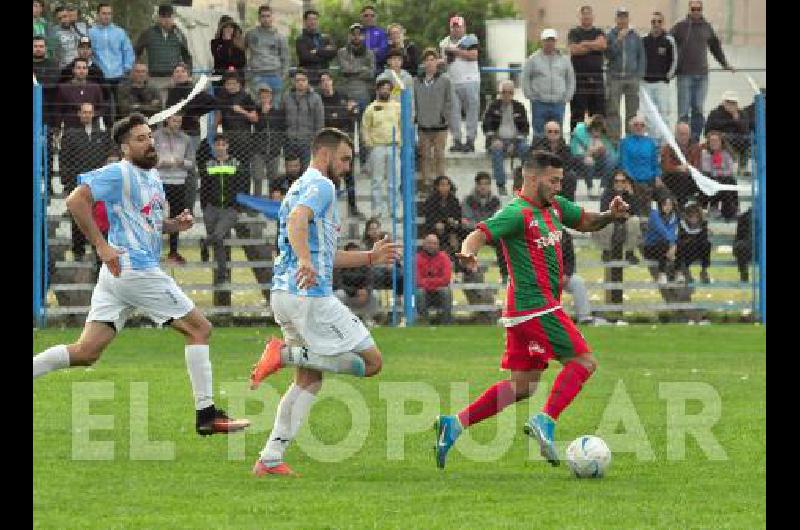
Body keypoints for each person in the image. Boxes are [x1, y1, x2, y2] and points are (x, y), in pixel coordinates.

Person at [32, 113, 250, 437]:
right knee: (200, 329)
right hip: (134, 268)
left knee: (86, 352)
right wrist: (101, 246)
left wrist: (175, 225)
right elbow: (77, 199)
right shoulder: (119, 172)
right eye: (140, 139)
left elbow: (148, 221)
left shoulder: (151, 176)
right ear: (124, 147)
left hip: (118, 275)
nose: (149, 143)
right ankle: (206, 415)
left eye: (149, 137)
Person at [434, 150, 631, 469]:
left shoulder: (554, 206)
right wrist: (468, 252)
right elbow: (480, 234)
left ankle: (454, 424)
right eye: (552, 181)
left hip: (523, 311)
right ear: (532, 178)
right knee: (584, 361)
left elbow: (586, 221)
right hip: (535, 307)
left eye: (560, 181)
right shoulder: (517, 213)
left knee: (523, 385)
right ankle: (546, 421)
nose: (558, 187)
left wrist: (610, 214)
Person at [248, 128, 401, 477]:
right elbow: (298, 222)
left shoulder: (298, 186)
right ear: (325, 153)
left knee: (310, 378)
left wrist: (369, 257)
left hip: (284, 294)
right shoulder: (322, 185)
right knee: (373, 362)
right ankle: (282, 355)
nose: (347, 167)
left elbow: (324, 254)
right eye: (344, 158)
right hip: (310, 296)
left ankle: (270, 458)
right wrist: (305, 260)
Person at [671, 0, 735, 142]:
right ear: (689, 9)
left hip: (702, 76)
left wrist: (725, 64)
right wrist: (668, 68)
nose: (696, 12)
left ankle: (694, 141)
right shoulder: (680, 27)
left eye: (698, 9)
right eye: (693, 9)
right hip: (684, 75)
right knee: (683, 112)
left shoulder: (707, 27)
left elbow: (715, 48)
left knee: (698, 110)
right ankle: (681, 141)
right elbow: (668, 44)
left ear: (702, 10)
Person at [153, 112, 194, 265]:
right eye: (174, 120)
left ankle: (174, 251)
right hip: (159, 181)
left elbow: (191, 163)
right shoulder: (155, 136)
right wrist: (161, 162)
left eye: (179, 121)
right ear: (167, 120)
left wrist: (181, 162)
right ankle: (154, 251)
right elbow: (148, 159)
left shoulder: (186, 139)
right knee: (156, 215)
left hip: (178, 182)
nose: (177, 124)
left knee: (177, 216)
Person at [134, 4, 192, 106]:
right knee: (160, 108)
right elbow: (136, 52)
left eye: (169, 16)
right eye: (163, 16)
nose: (166, 20)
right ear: (159, 17)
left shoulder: (179, 34)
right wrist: (139, 70)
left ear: (173, 17)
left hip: (174, 78)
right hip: (155, 78)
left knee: (175, 108)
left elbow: (187, 56)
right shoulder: (149, 33)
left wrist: (188, 73)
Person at [521, 28, 575, 136]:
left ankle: (556, 152)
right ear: (542, 41)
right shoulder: (532, 59)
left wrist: (567, 97)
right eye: (547, 40)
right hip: (539, 103)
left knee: (557, 132)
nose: (549, 43)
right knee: (539, 132)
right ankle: (538, 151)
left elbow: (570, 79)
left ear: (555, 41)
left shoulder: (565, 59)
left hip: (559, 103)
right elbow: (525, 78)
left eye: (552, 40)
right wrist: (531, 96)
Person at [439, 15, 481, 153]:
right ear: (450, 28)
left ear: (464, 27)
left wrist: (455, 51)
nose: (456, 29)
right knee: (453, 113)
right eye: (454, 27)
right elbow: (445, 62)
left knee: (472, 112)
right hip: (452, 81)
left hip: (470, 80)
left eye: (459, 27)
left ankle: (470, 140)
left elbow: (473, 56)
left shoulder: (471, 39)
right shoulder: (444, 42)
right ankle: (456, 140)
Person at [604, 6, 645, 141]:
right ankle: (615, 141)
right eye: (620, 17)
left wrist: (639, 76)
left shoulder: (635, 36)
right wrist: (618, 40)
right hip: (614, 78)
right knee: (613, 111)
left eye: (625, 17)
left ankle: (631, 139)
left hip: (632, 79)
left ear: (628, 18)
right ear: (616, 19)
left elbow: (641, 57)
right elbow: (608, 55)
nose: (622, 20)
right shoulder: (610, 35)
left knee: (632, 112)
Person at [482, 80, 530, 195]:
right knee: (496, 151)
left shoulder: (519, 107)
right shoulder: (493, 106)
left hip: (516, 141)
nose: (507, 95)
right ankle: (501, 184)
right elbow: (486, 126)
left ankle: (524, 183)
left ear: (513, 93)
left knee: (526, 149)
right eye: (504, 92)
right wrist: (494, 139)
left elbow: (525, 128)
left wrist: (514, 142)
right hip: (498, 140)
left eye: (510, 92)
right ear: (500, 93)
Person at [362, 78, 401, 216]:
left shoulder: (397, 106)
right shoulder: (371, 108)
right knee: (376, 180)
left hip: (393, 147)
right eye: (382, 88)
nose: (385, 90)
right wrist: (370, 144)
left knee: (394, 181)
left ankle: (394, 209)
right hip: (377, 147)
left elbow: (402, 125)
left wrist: (400, 143)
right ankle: (376, 209)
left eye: (387, 88)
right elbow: (365, 128)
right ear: (378, 90)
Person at [414, 48, 451, 192]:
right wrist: (416, 117)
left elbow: (449, 101)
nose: (430, 63)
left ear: (437, 62)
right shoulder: (416, 81)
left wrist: (444, 117)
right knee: (424, 156)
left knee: (439, 155)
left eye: (432, 59)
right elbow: (414, 101)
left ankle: (441, 182)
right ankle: (426, 182)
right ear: (423, 63)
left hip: (440, 126)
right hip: (423, 125)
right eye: (427, 60)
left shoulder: (445, 80)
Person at [567, 6, 607, 133]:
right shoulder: (574, 32)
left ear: (593, 17)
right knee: (577, 114)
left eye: (589, 14)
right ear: (579, 17)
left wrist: (584, 44)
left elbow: (602, 45)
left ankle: (599, 142)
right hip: (579, 79)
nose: (586, 17)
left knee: (598, 114)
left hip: (597, 79)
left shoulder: (599, 32)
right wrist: (593, 45)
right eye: (583, 14)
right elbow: (574, 50)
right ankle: (576, 142)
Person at [641, 11, 677, 141]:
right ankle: (652, 142)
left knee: (664, 114)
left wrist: (667, 77)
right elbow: (639, 59)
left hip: (662, 84)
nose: (656, 24)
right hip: (645, 84)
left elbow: (674, 60)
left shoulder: (669, 40)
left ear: (663, 23)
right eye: (653, 22)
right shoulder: (644, 40)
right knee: (648, 115)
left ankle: (664, 144)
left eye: (659, 21)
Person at [245, 5, 290, 108]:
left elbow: (285, 58)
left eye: (268, 16)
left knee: (275, 107)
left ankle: (274, 125)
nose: (266, 19)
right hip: (257, 75)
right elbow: (242, 51)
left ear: (272, 17)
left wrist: (282, 76)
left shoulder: (280, 37)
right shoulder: (250, 34)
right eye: (263, 16)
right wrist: (247, 73)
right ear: (259, 18)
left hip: (275, 75)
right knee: (258, 106)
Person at [619, 114, 662, 211]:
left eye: (642, 125)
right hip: (632, 179)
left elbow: (655, 163)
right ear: (631, 127)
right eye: (636, 125)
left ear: (645, 127)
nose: (639, 127)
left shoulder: (650, 143)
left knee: (665, 195)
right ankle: (644, 217)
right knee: (642, 191)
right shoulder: (625, 142)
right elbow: (623, 163)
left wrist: (657, 176)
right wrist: (628, 180)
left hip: (650, 179)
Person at [570, 114, 617, 197]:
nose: (597, 132)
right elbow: (574, 152)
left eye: (599, 130)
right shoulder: (579, 134)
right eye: (594, 129)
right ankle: (590, 187)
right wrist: (587, 154)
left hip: (600, 163)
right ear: (590, 128)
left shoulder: (603, 138)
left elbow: (613, 153)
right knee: (589, 161)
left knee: (611, 160)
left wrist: (604, 150)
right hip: (581, 161)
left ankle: (603, 187)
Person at [334, 242, 379, 326]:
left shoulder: (365, 267)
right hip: (348, 295)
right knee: (339, 294)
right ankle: (341, 320)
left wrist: (366, 291)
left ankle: (369, 319)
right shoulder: (339, 268)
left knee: (375, 294)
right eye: (351, 253)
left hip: (363, 296)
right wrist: (355, 292)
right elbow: (338, 285)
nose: (354, 255)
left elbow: (370, 282)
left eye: (356, 253)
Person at [661, 121, 702, 208]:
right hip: (672, 178)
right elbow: (666, 166)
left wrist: (689, 168)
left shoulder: (696, 147)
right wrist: (678, 168)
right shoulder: (668, 147)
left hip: (691, 177)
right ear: (676, 134)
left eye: (686, 134)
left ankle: (700, 208)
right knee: (680, 178)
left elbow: (697, 165)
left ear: (690, 135)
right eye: (681, 134)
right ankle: (681, 207)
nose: (683, 137)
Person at [699, 130, 738, 220]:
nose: (713, 143)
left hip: (723, 180)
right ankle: (728, 210)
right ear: (708, 142)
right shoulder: (705, 153)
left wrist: (718, 171)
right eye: (711, 141)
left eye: (716, 141)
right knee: (718, 180)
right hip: (710, 180)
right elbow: (706, 169)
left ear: (721, 142)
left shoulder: (726, 153)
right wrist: (720, 170)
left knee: (731, 180)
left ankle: (727, 208)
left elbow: (730, 170)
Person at [416, 233, 454, 324]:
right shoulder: (417, 258)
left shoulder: (444, 257)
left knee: (446, 291)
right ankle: (424, 322)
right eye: (429, 243)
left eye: (434, 243)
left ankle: (445, 322)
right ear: (424, 244)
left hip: (438, 293)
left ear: (438, 245)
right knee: (419, 292)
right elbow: (417, 280)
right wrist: (436, 282)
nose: (431, 246)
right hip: (424, 294)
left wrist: (427, 282)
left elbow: (446, 279)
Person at [643, 194, 679, 285]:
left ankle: (678, 274)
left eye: (670, 205)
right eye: (665, 204)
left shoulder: (673, 217)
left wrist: (674, 244)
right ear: (660, 205)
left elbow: (674, 233)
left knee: (680, 246)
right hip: (650, 248)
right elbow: (662, 231)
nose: (668, 207)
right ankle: (662, 274)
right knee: (664, 244)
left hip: (668, 248)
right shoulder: (654, 215)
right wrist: (672, 244)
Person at [295, 9, 337, 87]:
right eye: (310, 19)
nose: (313, 22)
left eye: (315, 19)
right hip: (309, 77)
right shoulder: (301, 39)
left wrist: (317, 51)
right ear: (305, 21)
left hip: (325, 77)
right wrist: (325, 54)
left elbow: (333, 53)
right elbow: (305, 57)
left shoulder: (325, 38)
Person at [675, 201, 711, 284]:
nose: (694, 217)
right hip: (685, 251)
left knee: (707, 244)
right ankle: (679, 272)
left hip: (697, 251)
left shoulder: (703, 224)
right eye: (691, 214)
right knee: (679, 245)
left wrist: (692, 238)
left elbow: (703, 239)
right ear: (687, 215)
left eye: (696, 214)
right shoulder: (681, 224)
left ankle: (704, 271)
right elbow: (680, 239)